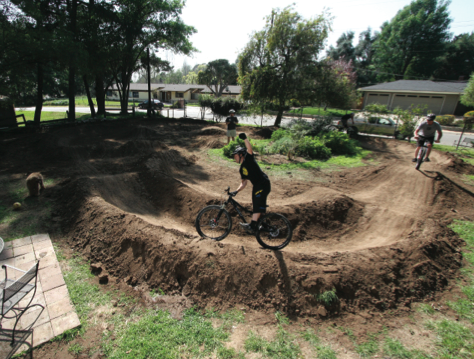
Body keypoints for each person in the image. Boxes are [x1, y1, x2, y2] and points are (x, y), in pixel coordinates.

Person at [230, 133, 271, 235]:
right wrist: (236, 191)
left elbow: (250, 149)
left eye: (235, 156)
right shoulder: (242, 169)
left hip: (263, 183)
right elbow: (244, 183)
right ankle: (262, 224)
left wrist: (245, 139)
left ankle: (252, 225)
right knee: (256, 204)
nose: (234, 158)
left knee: (257, 203)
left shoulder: (248, 159)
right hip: (257, 185)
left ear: (241, 155)